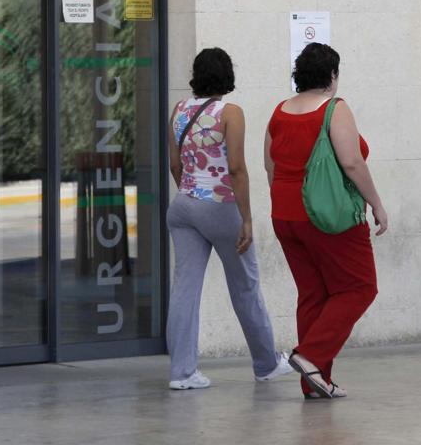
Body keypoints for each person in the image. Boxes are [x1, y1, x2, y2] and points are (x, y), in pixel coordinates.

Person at [266, 43, 387, 400]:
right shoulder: (334, 109)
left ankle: (315, 382)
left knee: (313, 294)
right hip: (328, 216)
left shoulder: (279, 112)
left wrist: (288, 202)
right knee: (359, 288)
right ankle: (311, 356)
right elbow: (351, 162)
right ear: (332, 76)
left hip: (285, 216)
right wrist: (376, 204)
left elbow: (269, 166)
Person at [165, 47, 292, 390]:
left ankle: (182, 372)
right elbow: (236, 169)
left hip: (183, 206)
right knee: (245, 285)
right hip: (221, 207)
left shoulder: (178, 110)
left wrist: (191, 193)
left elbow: (175, 165)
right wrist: (246, 219)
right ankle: (266, 364)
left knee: (185, 289)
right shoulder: (230, 113)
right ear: (227, 76)